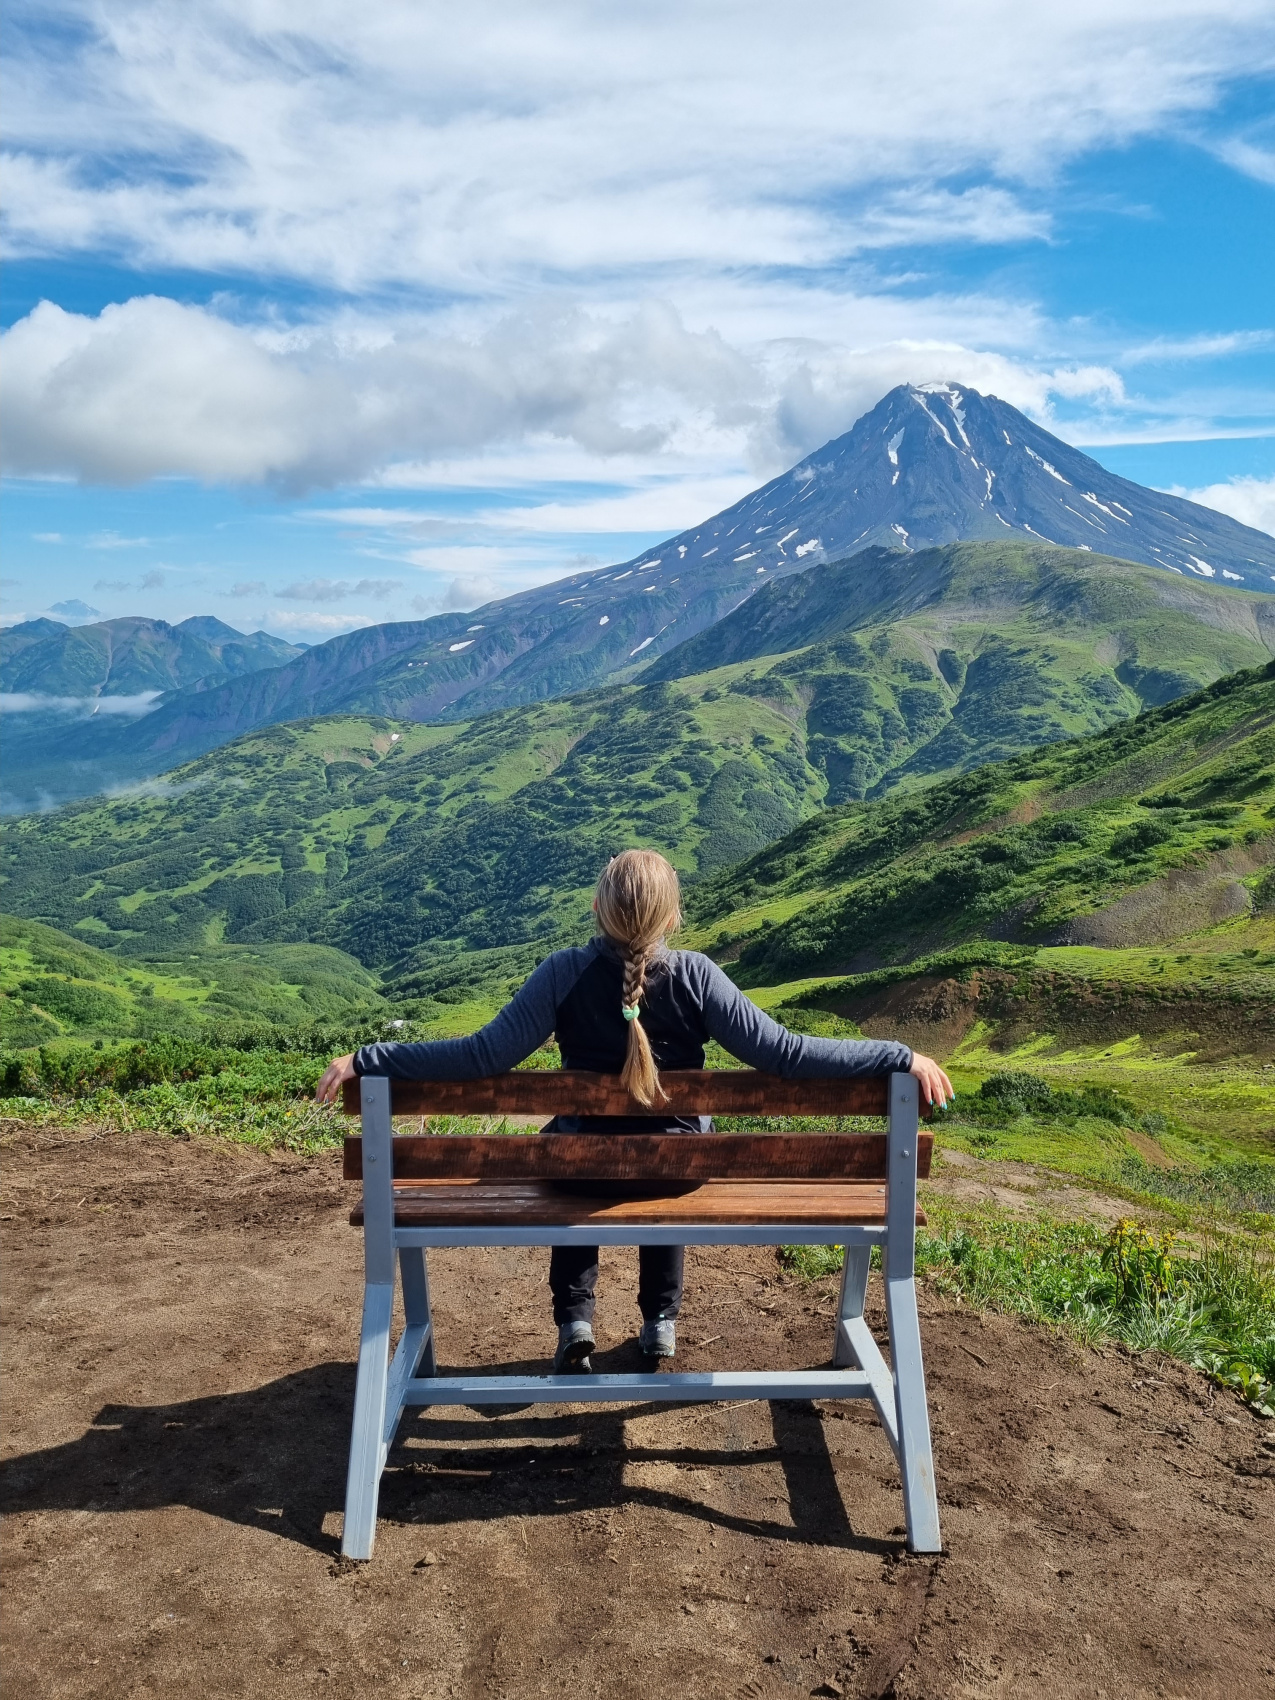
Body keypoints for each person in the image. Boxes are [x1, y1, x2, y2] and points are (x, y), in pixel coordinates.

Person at [316, 849, 952, 1373]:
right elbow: (788, 1054)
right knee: (669, 1150)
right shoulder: (699, 977)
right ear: (671, 916)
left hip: (580, 1168)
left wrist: (372, 1059)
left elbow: (481, 1055)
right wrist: (897, 1055)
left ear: (598, 910)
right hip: (676, 1171)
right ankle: (660, 1321)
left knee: (573, 1151)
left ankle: (575, 1320)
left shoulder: (562, 972)